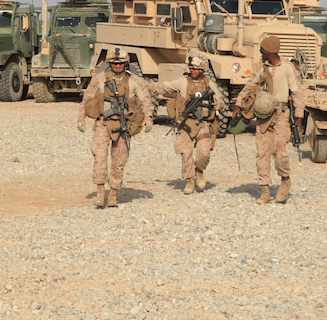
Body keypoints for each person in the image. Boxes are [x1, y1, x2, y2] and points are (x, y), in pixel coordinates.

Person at [231, 36, 304, 204]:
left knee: (279, 150)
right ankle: (264, 190)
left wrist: (299, 116)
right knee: (262, 153)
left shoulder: (287, 68)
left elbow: (297, 93)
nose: (260, 53)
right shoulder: (262, 68)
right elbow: (250, 85)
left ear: (270, 51)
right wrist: (238, 103)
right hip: (263, 116)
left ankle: (285, 180)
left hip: (281, 115)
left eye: (262, 50)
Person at [77, 47, 154, 207]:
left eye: (120, 63)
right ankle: (100, 192)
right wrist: (81, 118)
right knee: (99, 156)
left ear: (126, 64)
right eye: (114, 63)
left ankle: (113, 193)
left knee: (119, 160)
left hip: (123, 124)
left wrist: (148, 118)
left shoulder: (135, 81)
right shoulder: (99, 79)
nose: (117, 66)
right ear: (109, 64)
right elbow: (87, 98)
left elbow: (145, 100)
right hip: (103, 123)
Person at [151, 55, 227, 194]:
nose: (192, 70)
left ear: (202, 69)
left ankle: (199, 171)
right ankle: (189, 180)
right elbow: (165, 87)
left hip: (203, 123)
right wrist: (148, 86)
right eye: (191, 68)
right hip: (186, 123)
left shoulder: (210, 84)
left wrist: (218, 105)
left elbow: (220, 100)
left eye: (195, 68)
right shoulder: (183, 82)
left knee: (204, 153)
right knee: (186, 152)